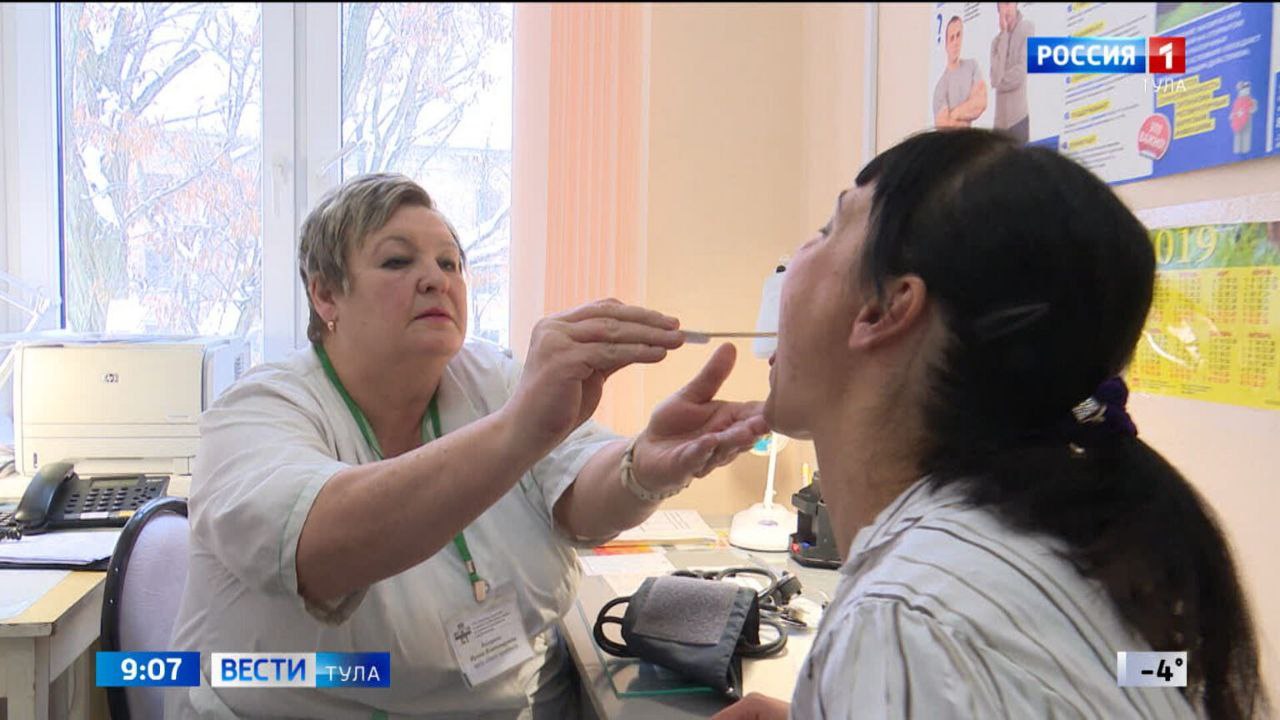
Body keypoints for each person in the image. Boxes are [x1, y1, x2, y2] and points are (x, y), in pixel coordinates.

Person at [167, 173, 768, 718]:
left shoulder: (489, 380)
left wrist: (643, 468)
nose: (436, 278)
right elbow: (321, 547)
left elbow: (580, 492)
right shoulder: (258, 412)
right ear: (326, 296)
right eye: (397, 261)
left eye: (450, 263)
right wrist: (519, 429)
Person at [715, 129, 1268, 719]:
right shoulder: (1070, 555)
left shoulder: (906, 617)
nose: (797, 257)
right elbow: (1120, 678)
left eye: (830, 228)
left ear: (885, 309)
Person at [933, 16, 987, 128]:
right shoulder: (940, 87)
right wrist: (969, 106)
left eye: (958, 35)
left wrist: (954, 114)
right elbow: (945, 127)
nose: (955, 42)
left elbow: (981, 103)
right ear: (946, 44)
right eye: (951, 38)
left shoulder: (972, 66)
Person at [990, 2, 1033, 143]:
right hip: (999, 126)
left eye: (1008, 3)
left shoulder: (1027, 28)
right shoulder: (996, 42)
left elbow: (1021, 72)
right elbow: (994, 79)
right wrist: (1004, 35)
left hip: (1018, 119)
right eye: (1001, 5)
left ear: (1016, 4)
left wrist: (999, 81)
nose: (1006, 9)